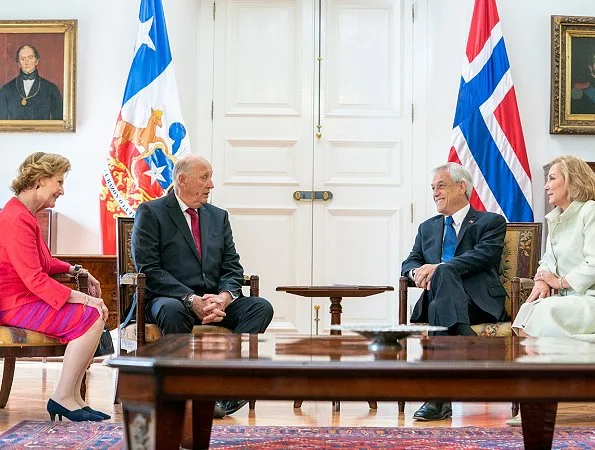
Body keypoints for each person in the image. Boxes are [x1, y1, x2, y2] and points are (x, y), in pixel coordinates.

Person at [131, 154, 274, 419]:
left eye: (211, 177)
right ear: (182, 180)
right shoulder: (152, 212)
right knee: (173, 311)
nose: (211, 185)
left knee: (260, 307)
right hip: (170, 298)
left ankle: (225, 384)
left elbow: (232, 267)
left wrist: (223, 298)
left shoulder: (218, 217)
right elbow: (149, 270)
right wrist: (190, 299)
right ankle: (183, 391)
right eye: (205, 177)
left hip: (213, 300)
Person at [0, 152, 109, 422]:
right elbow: (35, 278)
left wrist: (76, 270)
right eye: (58, 181)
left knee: (94, 313)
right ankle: (62, 397)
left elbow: (45, 262)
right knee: (91, 314)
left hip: (23, 299)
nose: (62, 189)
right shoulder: (16, 219)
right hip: (15, 304)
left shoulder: (25, 214)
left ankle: (74, 399)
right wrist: (83, 299)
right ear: (39, 181)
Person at [401, 162, 507, 421]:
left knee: (444, 279)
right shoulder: (428, 227)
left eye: (441, 186)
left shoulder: (490, 222)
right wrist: (416, 273)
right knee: (439, 302)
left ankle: (438, 399)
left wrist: (439, 268)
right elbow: (410, 262)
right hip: (442, 301)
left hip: (478, 302)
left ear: (462, 187)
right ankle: (463, 336)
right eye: (433, 188)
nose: (435, 192)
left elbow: (483, 256)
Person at [512, 156, 595, 339]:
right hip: (568, 298)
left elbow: (593, 263)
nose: (546, 186)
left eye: (552, 178)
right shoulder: (556, 218)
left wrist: (558, 282)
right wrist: (542, 280)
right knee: (527, 311)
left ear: (572, 180)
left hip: (589, 299)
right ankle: (536, 366)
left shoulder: (590, 211)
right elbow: (546, 262)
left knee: (545, 309)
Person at [0, 45, 63, 120]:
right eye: (23, 59)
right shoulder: (6, 90)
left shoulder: (51, 89)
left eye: (30, 58)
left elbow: (59, 122)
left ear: (37, 61)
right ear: (18, 63)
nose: (27, 62)